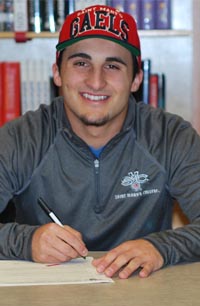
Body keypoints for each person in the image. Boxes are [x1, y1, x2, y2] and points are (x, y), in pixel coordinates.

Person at [0, 4, 200, 280]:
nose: (96, 81)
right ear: (57, 73)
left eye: (113, 66)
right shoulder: (20, 138)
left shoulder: (171, 136)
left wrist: (161, 247)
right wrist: (26, 241)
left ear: (136, 79)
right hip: (42, 302)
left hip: (145, 301)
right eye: (81, 63)